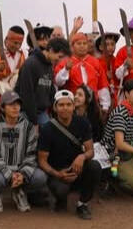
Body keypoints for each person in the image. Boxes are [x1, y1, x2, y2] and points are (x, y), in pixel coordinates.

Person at [37, 90, 101, 220]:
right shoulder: (47, 129)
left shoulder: (82, 123)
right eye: (61, 105)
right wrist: (58, 174)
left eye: (68, 104)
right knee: (60, 190)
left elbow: (90, 151)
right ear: (55, 107)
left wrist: (82, 157)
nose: (65, 108)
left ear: (73, 106)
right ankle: (60, 199)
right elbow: (42, 160)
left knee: (95, 167)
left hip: (78, 169)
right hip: (58, 171)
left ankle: (82, 203)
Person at [0, 92, 48, 212]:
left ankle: (20, 191)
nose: (15, 107)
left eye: (17, 104)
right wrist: (9, 174)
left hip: (21, 168)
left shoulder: (28, 126)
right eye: (11, 104)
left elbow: (31, 154)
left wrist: (22, 175)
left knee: (40, 177)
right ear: (2, 107)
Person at [55, 33, 111, 114]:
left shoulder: (95, 62)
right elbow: (58, 82)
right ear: (72, 46)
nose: (82, 46)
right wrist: (66, 69)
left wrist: (105, 105)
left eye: (84, 43)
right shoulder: (65, 62)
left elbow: (102, 85)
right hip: (72, 104)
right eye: (79, 43)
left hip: (92, 104)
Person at [17, 37, 68, 126]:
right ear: (51, 50)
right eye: (59, 56)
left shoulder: (49, 65)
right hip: (26, 112)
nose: (60, 61)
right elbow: (27, 94)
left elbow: (50, 90)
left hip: (42, 112)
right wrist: (34, 121)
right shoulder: (31, 64)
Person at [0, 25, 28, 94]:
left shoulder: (24, 53)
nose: (17, 46)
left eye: (20, 43)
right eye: (15, 43)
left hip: (17, 94)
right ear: (7, 39)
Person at [94, 31, 120, 110]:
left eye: (112, 44)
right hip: (103, 98)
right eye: (107, 45)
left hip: (117, 96)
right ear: (101, 47)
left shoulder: (117, 60)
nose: (110, 47)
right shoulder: (97, 62)